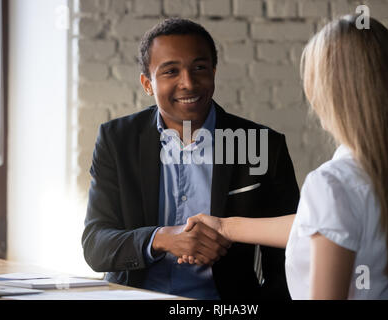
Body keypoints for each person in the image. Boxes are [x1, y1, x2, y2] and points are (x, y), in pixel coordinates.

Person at [180, 15, 388, 299]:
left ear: (327, 93)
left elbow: (333, 214)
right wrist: (226, 226)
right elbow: (325, 222)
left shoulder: (331, 185)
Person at [81, 18, 300, 300]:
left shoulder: (264, 145)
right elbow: (95, 245)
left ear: (214, 72)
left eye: (200, 68)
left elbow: (290, 249)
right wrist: (161, 239)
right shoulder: (116, 140)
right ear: (147, 84)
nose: (188, 83)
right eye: (171, 71)